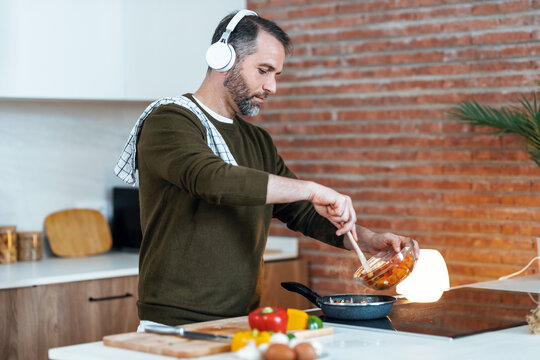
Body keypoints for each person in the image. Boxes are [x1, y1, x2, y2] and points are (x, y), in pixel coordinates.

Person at [115, 10, 419, 328]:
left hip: (241, 317)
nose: (271, 87)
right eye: (264, 71)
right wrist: (312, 188)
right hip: (174, 323)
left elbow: (299, 211)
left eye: (276, 75)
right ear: (224, 59)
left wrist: (367, 240)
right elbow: (213, 180)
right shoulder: (170, 120)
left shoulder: (256, 139)